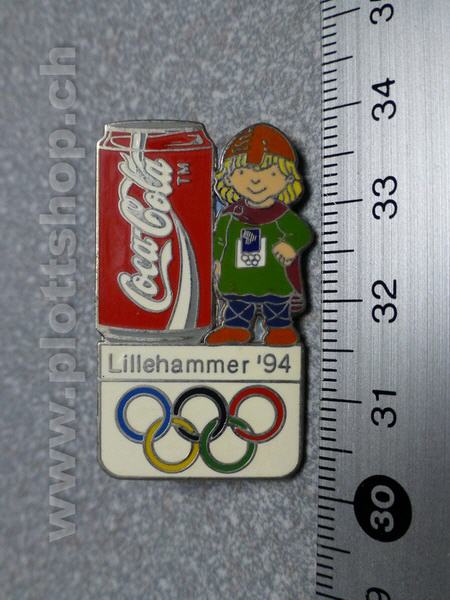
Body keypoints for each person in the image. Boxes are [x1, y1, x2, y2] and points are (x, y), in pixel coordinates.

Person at [205, 123, 312, 346]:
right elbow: (219, 239)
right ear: (228, 177)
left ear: (288, 178)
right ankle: (235, 328)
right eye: (243, 172)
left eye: (270, 173)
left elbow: (302, 232)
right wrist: (217, 261)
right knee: (237, 305)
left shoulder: (282, 215)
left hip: (272, 278)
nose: (255, 180)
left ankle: (280, 328)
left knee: (276, 306)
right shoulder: (230, 215)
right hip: (237, 279)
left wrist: (290, 245)